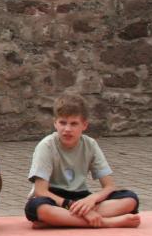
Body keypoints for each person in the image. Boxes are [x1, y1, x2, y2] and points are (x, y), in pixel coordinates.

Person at [25, 93, 141, 229]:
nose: (67, 129)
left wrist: (92, 199)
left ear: (84, 125)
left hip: (81, 197)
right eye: (63, 123)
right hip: (55, 199)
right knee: (36, 207)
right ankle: (106, 222)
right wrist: (75, 207)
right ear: (55, 123)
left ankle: (59, 220)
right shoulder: (46, 145)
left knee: (130, 199)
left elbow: (109, 186)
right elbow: (41, 191)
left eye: (74, 124)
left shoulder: (90, 144)